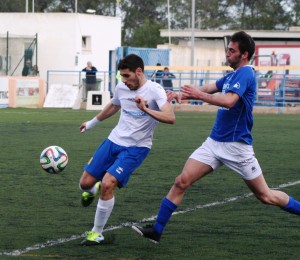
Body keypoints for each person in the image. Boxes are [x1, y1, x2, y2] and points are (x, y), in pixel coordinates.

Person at [132, 31, 300, 244]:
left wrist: (198, 95)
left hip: (237, 146)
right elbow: (211, 88)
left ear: (244, 55)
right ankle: (156, 231)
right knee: (181, 181)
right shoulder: (232, 74)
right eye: (228, 49)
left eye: (232, 51)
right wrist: (183, 94)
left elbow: (229, 101)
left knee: (265, 196)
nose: (227, 54)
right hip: (214, 143)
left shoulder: (246, 74)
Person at [79, 54, 175, 246]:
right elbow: (114, 106)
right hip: (113, 141)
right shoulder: (122, 87)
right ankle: (92, 189)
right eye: (122, 76)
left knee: (108, 183)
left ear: (139, 72)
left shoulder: (155, 90)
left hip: (136, 148)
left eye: (127, 76)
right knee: (84, 183)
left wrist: (145, 109)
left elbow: (170, 117)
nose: (124, 81)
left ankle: (96, 233)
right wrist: (91, 123)